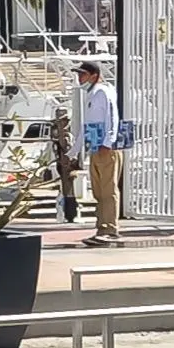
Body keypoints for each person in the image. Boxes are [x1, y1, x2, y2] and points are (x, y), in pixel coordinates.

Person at [69, 61, 122, 246]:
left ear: (94, 75)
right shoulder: (91, 94)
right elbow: (87, 126)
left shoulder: (103, 92)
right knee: (99, 190)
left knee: (108, 189)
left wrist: (109, 141)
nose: (80, 78)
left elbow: (112, 116)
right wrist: (74, 152)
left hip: (106, 148)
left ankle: (109, 229)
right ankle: (101, 227)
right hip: (95, 146)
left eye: (83, 74)